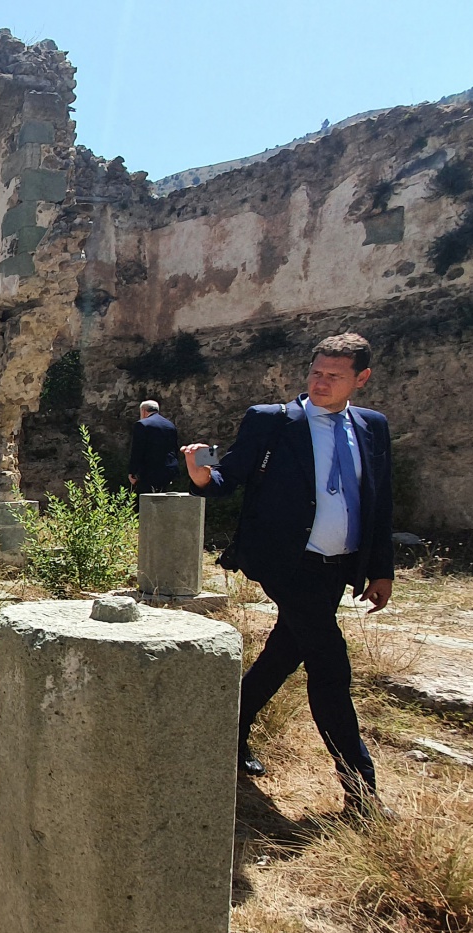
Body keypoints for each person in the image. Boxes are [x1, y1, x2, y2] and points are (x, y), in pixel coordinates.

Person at [183, 333, 394, 818]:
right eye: (316, 372)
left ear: (360, 379)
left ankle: (229, 727)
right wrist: (200, 475)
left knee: (286, 651)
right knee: (330, 669)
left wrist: (380, 569)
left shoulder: (371, 427)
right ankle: (361, 793)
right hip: (285, 562)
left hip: (338, 566)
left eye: (334, 376)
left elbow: (381, 503)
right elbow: (226, 478)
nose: (321, 382)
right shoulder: (271, 421)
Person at [127, 399, 180, 494]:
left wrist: (133, 472)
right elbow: (174, 449)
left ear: (143, 411)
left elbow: (137, 450)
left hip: (149, 471)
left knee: (143, 502)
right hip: (169, 470)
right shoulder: (170, 425)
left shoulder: (142, 424)